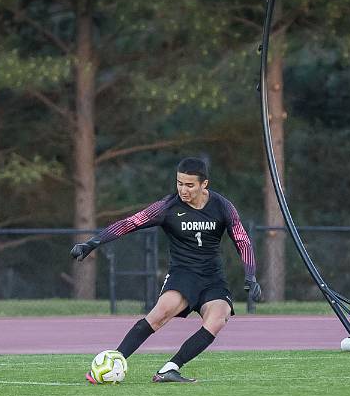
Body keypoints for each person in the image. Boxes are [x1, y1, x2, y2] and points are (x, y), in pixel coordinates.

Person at [72, 157, 262, 383]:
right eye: (179, 183)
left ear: (204, 184)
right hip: (182, 274)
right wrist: (92, 243)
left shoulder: (223, 206)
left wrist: (251, 274)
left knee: (218, 318)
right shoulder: (167, 207)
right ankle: (115, 360)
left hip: (213, 277)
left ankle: (170, 368)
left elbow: (242, 240)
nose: (183, 190)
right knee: (160, 314)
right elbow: (130, 223)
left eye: (189, 185)